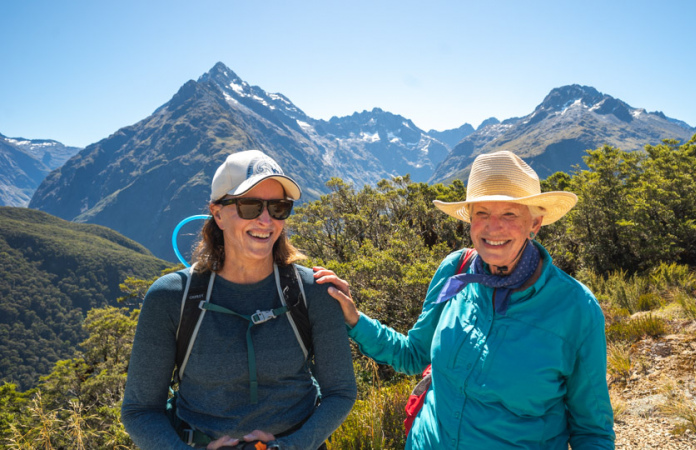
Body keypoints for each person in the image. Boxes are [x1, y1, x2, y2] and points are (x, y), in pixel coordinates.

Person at [315, 151, 615, 449]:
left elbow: (593, 433)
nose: (492, 226)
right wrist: (354, 319)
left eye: (509, 213)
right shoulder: (455, 271)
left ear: (534, 224)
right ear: (470, 220)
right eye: (481, 212)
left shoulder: (576, 309)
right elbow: (414, 355)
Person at [122, 150, 357, 450]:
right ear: (217, 214)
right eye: (249, 206)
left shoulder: (312, 290)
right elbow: (139, 411)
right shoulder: (170, 298)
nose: (265, 220)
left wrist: (290, 447)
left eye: (278, 207)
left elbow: (341, 391)